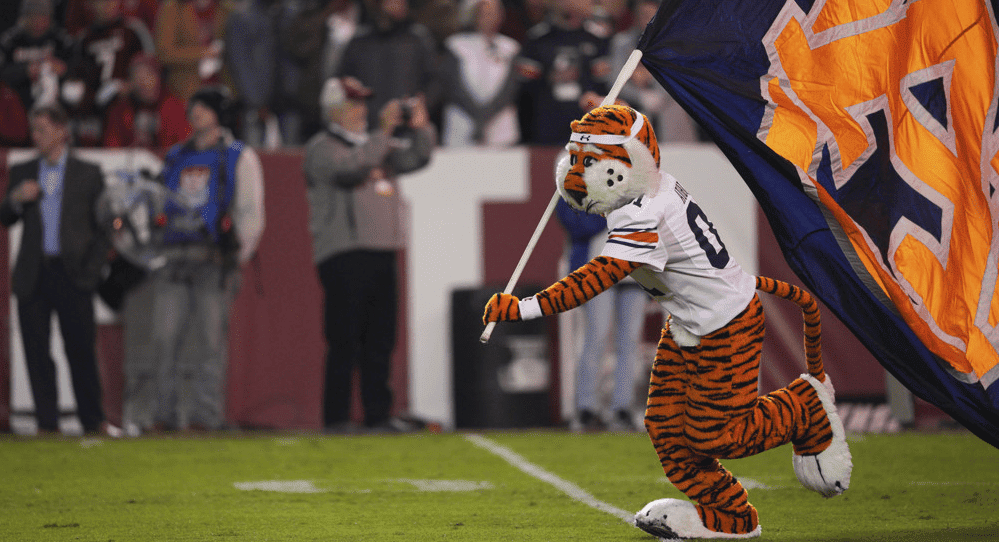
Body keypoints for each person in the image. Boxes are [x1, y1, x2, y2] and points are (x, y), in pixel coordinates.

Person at [483, 104, 851, 539]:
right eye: (577, 160)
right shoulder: (654, 188)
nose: (578, 175)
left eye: (594, 161)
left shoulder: (644, 212)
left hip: (726, 325)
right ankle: (729, 516)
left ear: (632, 161)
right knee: (665, 428)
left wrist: (523, 307)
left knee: (716, 436)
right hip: (689, 323)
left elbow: (595, 279)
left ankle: (803, 410)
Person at [303, 76, 435, 432]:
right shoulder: (322, 148)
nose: (362, 110)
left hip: (382, 249)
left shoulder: (372, 144)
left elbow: (415, 159)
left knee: (381, 339)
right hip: (345, 252)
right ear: (335, 110)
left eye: (364, 103)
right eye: (354, 104)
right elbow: (349, 171)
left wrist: (421, 129)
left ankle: (379, 414)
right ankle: (338, 417)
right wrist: (383, 132)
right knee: (345, 339)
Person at [145, 85, 265, 432]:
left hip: (213, 258)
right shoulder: (175, 157)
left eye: (205, 107)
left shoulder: (238, 156)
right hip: (174, 256)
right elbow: (158, 202)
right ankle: (163, 415)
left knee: (210, 342)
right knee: (164, 340)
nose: (196, 113)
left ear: (219, 114)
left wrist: (236, 256)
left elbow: (250, 213)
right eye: (194, 107)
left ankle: (204, 416)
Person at [0, 104, 112, 436]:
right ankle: (46, 422)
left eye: (43, 129)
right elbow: (5, 217)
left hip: (73, 272)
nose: (37, 136)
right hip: (34, 272)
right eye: (34, 130)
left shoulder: (88, 173)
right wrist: (17, 198)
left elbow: (103, 226)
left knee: (80, 348)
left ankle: (93, 419)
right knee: (37, 351)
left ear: (62, 130)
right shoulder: (23, 171)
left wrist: (92, 271)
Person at [555, 198, 645, 432]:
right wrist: (608, 210)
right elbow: (572, 221)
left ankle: (622, 408)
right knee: (596, 336)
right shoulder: (583, 177)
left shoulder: (638, 181)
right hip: (597, 269)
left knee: (630, 343)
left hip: (635, 272)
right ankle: (587, 408)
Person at [337, 0, 442, 132]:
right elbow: (342, 82)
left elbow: (435, 81)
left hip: (407, 127)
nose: (397, 4)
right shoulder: (359, 42)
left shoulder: (417, 39)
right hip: (366, 128)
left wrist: (421, 106)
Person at [514, 0, 610, 144]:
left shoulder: (597, 38)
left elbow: (604, 85)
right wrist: (549, 77)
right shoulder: (538, 38)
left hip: (586, 122)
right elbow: (524, 88)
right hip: (546, 123)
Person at [63, 0, 155, 146]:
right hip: (94, 103)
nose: (106, 5)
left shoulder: (133, 29)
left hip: (127, 100)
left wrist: (131, 85)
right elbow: (76, 75)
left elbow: (151, 68)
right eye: (100, 2)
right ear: (91, 5)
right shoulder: (85, 38)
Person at [608, 0, 699, 143]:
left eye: (653, 16)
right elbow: (615, 80)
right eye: (644, 16)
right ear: (636, 17)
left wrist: (659, 92)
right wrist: (641, 96)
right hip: (632, 110)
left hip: (670, 114)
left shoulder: (673, 44)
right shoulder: (621, 42)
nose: (648, 21)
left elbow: (679, 79)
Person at [440, 0, 521, 146]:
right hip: (462, 123)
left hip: (500, 126)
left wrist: (485, 115)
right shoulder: (456, 45)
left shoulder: (511, 47)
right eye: (484, 14)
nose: (489, 17)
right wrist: (477, 115)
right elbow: (453, 86)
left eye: (494, 13)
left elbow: (510, 88)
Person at [102, 53, 191, 148]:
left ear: (159, 77)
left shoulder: (176, 108)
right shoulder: (122, 110)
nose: (143, 82)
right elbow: (111, 146)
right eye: (136, 77)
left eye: (148, 75)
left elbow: (184, 148)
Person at [0, 0, 76, 113]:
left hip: (55, 105)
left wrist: (64, 69)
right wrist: (25, 70)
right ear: (24, 18)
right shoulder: (9, 41)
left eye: (43, 17)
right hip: (17, 102)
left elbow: (78, 65)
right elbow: (3, 72)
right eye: (33, 17)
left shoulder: (61, 40)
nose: (38, 22)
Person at [154, 0, 233, 104]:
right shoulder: (173, 9)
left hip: (224, 88)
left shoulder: (225, 9)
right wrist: (203, 53)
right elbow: (164, 53)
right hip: (187, 92)